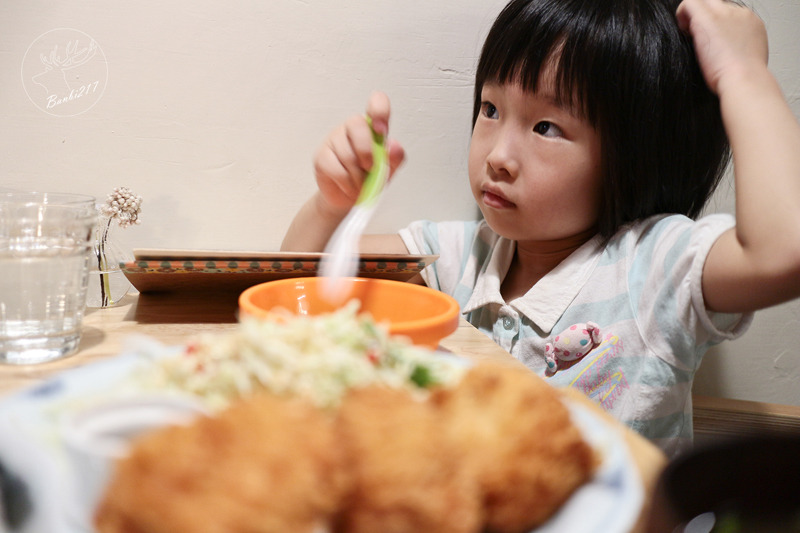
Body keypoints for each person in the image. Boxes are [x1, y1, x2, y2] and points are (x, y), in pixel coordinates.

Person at [282, 0, 800, 457]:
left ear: (635, 155)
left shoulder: (654, 268)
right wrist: (332, 205)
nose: (499, 156)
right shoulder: (460, 257)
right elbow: (295, 289)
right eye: (490, 109)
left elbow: (783, 251)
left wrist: (742, 73)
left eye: (545, 127)